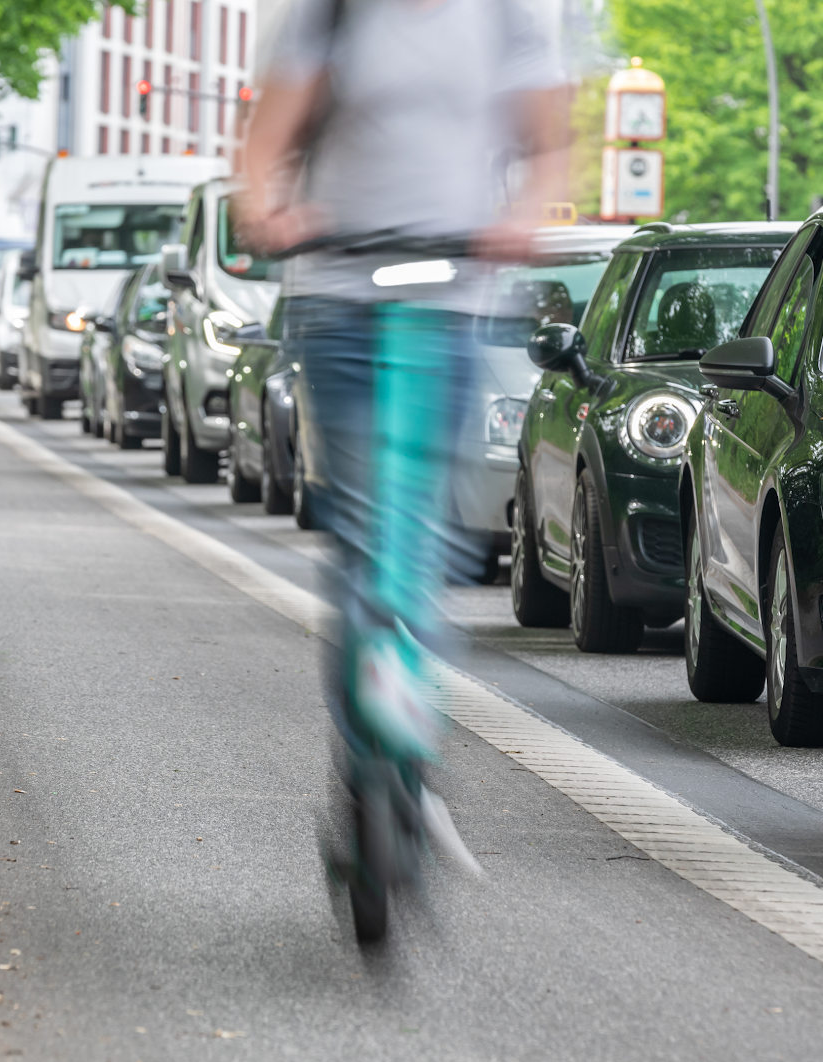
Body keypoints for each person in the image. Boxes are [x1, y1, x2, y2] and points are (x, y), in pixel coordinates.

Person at [236, 0, 569, 941]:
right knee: (363, 537)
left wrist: (522, 216)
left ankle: (410, 748)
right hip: (341, 294)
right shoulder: (331, 11)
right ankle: (363, 762)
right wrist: (263, 201)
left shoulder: (511, 17)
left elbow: (546, 147)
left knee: (420, 540)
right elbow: (269, 140)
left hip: (455, 297)